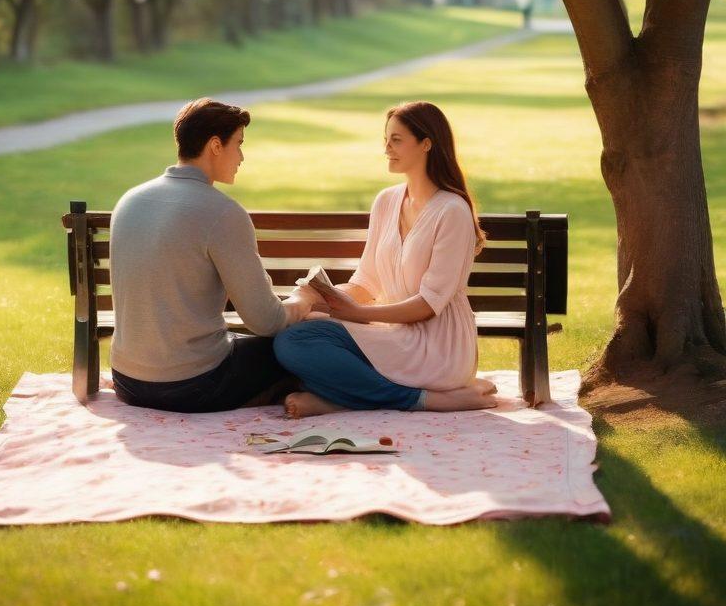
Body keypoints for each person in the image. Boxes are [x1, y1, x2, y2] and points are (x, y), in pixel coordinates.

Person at [274, 101, 498, 417]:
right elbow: (365, 282)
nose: (386, 149)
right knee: (300, 333)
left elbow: (427, 305)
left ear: (426, 144)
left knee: (296, 344)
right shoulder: (387, 201)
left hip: (438, 346)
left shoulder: (452, 211)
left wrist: (358, 312)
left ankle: (426, 400)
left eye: (396, 140)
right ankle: (340, 401)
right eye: (385, 140)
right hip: (395, 334)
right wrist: (320, 297)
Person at [110, 98, 313, 412]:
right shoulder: (223, 213)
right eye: (239, 144)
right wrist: (304, 301)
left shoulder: (130, 200)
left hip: (128, 380)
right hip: (192, 386)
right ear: (215, 145)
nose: (242, 156)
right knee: (303, 345)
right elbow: (266, 321)